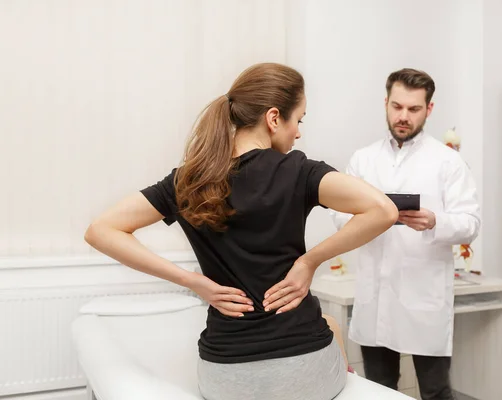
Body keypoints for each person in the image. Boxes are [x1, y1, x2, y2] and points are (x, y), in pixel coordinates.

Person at [84, 62, 399, 400]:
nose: (299, 132)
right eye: (299, 120)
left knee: (329, 325)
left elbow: (100, 230)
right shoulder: (299, 171)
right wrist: (310, 261)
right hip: (306, 373)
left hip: (225, 379)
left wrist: (193, 282)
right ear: (274, 118)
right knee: (333, 326)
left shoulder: (189, 180)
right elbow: (384, 210)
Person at [331, 68, 481, 400]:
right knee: (379, 391)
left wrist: (434, 222)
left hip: (424, 300)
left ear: (429, 109)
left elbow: (471, 222)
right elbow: (339, 214)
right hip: (375, 299)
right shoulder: (363, 159)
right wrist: (371, 219)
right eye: (397, 106)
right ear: (386, 103)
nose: (403, 116)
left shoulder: (448, 162)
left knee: (436, 391)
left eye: (413, 109)